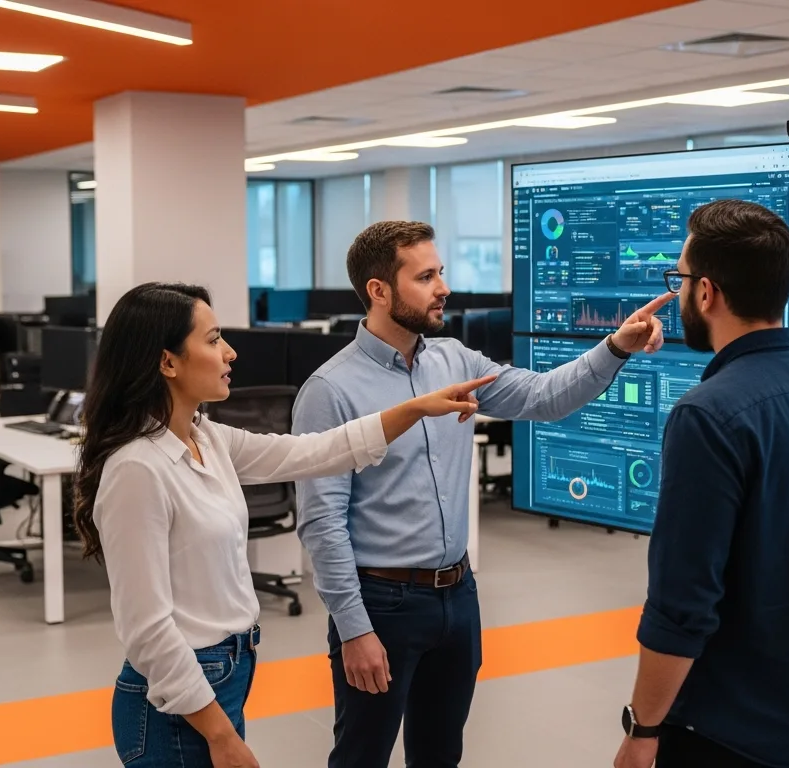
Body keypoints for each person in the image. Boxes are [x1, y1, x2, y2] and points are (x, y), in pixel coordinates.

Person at [293, 220, 673, 768]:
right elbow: (322, 522)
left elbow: (545, 397)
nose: (443, 287)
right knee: (360, 756)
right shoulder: (330, 391)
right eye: (425, 276)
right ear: (379, 291)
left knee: (441, 754)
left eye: (440, 272)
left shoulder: (456, 361)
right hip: (383, 604)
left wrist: (615, 346)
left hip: (457, 596)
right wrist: (354, 629)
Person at [72, 282, 497, 768]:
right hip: (179, 703)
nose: (230, 352)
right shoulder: (137, 470)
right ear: (168, 363)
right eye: (212, 340)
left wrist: (415, 407)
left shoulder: (205, 437)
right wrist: (220, 735)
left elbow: (313, 451)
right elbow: (146, 630)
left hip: (220, 678)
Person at [613, 200, 789, 768]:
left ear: (706, 293)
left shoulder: (708, 416)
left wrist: (643, 728)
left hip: (735, 735)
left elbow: (682, 605)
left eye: (681, 279)